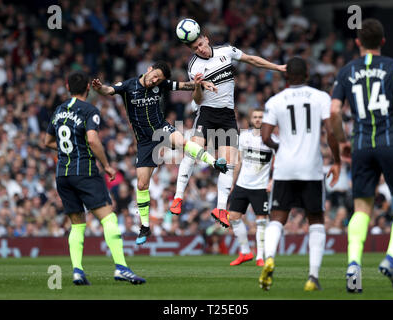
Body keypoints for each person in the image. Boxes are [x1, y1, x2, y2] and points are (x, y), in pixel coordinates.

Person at [330, 18, 393, 292]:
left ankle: (352, 265)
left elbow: (335, 111)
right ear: (382, 41)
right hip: (390, 142)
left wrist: (341, 140)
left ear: (358, 42)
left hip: (360, 145)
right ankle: (391, 258)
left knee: (362, 208)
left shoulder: (346, 70)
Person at [92, 61, 228, 245]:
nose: (155, 80)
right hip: (144, 142)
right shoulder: (129, 85)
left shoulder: (160, 85)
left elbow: (184, 85)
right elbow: (108, 91)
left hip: (161, 129)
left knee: (182, 142)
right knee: (141, 184)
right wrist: (100, 88)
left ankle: (214, 162)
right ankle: (145, 227)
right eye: (154, 76)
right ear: (148, 70)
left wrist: (200, 84)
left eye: (159, 79)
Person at [170, 32, 286, 229]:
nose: (200, 49)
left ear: (205, 38)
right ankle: (178, 196)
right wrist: (197, 86)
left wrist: (276, 67)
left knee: (228, 164)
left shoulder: (226, 51)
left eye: (200, 44)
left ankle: (221, 209)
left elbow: (250, 59)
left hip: (227, 116)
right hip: (206, 113)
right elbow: (197, 99)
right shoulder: (194, 66)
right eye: (195, 48)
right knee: (192, 151)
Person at [45, 70, 146, 285]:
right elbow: (92, 139)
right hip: (85, 172)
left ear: (67, 86)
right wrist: (107, 165)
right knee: (108, 218)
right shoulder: (89, 110)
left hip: (63, 174)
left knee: (77, 224)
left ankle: (77, 271)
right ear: (88, 89)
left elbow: (47, 141)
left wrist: (69, 152)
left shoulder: (59, 110)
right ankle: (121, 268)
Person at [259, 57, 341, 291]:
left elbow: (265, 137)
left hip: (284, 167)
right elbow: (331, 132)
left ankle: (270, 258)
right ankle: (313, 277)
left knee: (277, 218)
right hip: (311, 168)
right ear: (307, 74)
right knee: (316, 220)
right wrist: (336, 160)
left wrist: (280, 148)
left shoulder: (276, 100)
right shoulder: (321, 98)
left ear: (286, 77)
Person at [228, 109, 274, 267]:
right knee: (233, 217)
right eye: (255, 117)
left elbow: (280, 163)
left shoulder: (272, 140)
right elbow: (238, 161)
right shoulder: (244, 137)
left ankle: (260, 256)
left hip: (261, 187)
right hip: (242, 185)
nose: (258, 119)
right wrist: (233, 183)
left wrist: (272, 181)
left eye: (261, 117)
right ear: (251, 119)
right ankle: (245, 251)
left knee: (261, 222)